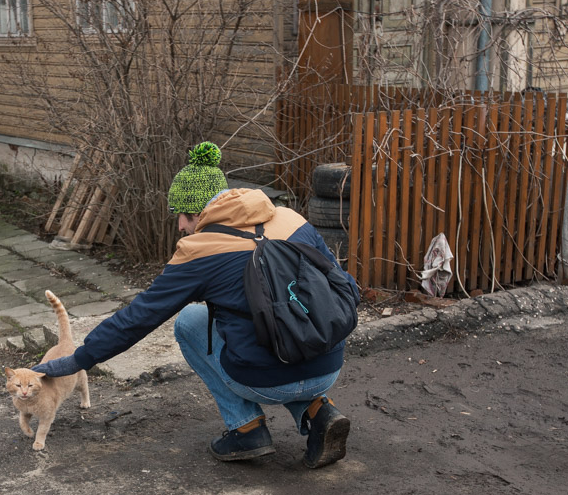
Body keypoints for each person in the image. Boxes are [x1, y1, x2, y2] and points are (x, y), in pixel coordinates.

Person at [32, 142, 356, 469]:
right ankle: (318, 411)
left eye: (182, 217)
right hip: (328, 365)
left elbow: (137, 318)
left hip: (265, 382)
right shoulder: (291, 219)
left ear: (199, 212)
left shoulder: (199, 250)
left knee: (189, 321)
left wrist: (77, 359)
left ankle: (246, 429)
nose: (180, 227)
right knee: (285, 323)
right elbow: (343, 285)